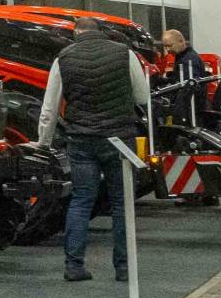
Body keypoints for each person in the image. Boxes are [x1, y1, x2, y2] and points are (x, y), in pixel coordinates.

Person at [38, 17, 153, 284]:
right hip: (119, 138)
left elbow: (49, 108)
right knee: (121, 203)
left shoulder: (63, 58)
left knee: (81, 201)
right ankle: (123, 268)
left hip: (82, 139)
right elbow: (142, 96)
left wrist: (43, 143)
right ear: (100, 32)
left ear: (76, 33)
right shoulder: (125, 54)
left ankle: (74, 266)